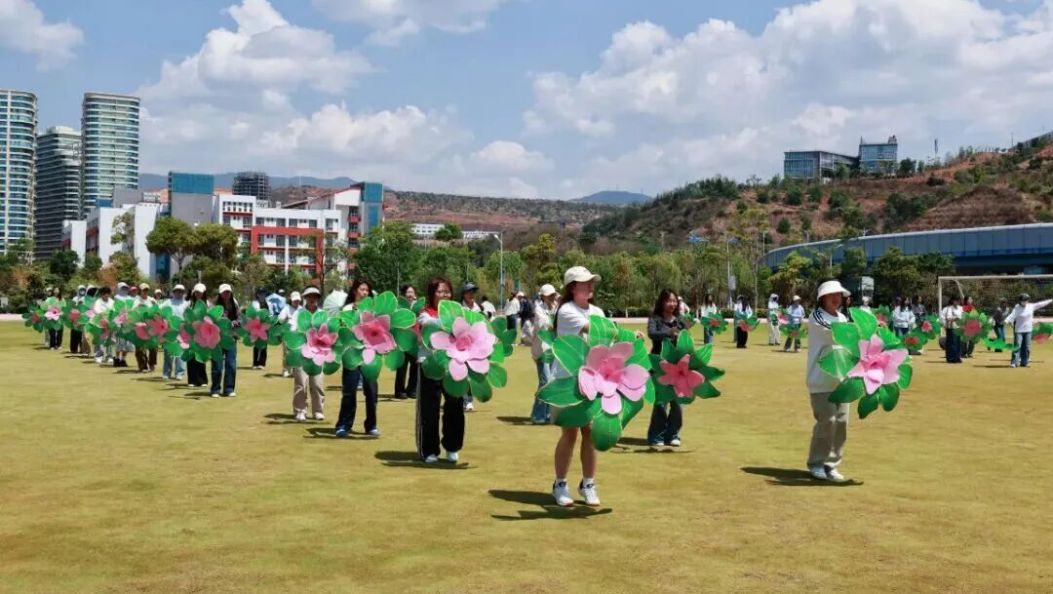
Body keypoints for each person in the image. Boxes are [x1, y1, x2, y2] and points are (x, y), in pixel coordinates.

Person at [550, 266, 606, 507]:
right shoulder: (566, 311)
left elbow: (607, 340)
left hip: (593, 380)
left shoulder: (598, 311)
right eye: (585, 282)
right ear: (573, 287)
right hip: (567, 382)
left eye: (592, 282)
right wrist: (621, 333)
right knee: (570, 432)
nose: (591, 286)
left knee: (590, 431)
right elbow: (593, 330)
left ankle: (588, 483)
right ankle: (560, 484)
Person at [806, 280, 852, 482]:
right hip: (821, 380)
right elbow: (837, 334)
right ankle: (816, 463)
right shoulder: (817, 317)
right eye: (831, 294)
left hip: (842, 380)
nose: (836, 298)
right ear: (822, 298)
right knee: (827, 421)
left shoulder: (842, 317)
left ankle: (831, 465)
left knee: (841, 423)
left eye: (839, 295)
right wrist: (862, 328)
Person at [415, 277, 465, 464]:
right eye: (440, 291)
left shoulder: (458, 313)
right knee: (429, 409)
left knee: (455, 406)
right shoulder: (424, 313)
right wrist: (444, 323)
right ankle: (429, 450)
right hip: (428, 364)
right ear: (431, 294)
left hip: (453, 364)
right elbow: (429, 325)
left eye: (447, 291)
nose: (444, 295)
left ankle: (452, 447)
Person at [336, 279, 381, 438]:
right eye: (362, 289)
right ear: (355, 291)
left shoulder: (373, 310)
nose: (365, 293)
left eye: (367, 290)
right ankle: (343, 425)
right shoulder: (347, 309)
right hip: (351, 354)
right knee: (349, 390)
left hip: (369, 353)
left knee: (371, 391)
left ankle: (371, 425)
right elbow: (342, 329)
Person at [647, 289, 689, 448]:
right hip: (659, 365)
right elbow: (652, 334)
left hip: (678, 366)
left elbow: (686, 338)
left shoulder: (680, 320)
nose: (672, 304)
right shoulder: (655, 319)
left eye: (674, 301)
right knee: (660, 402)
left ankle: (672, 434)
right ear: (662, 302)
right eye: (668, 300)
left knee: (678, 401)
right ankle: (656, 436)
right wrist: (669, 333)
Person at [291, 287, 326, 422]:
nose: (312, 299)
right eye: (309, 296)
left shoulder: (322, 314)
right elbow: (292, 329)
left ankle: (318, 410)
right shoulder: (298, 313)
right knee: (301, 383)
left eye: (315, 296)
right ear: (305, 298)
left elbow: (327, 330)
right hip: (301, 352)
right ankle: (300, 410)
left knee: (317, 383)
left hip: (317, 353)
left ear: (318, 299)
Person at [530, 283, 559, 424]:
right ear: (543, 296)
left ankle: (546, 413)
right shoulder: (538, 309)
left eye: (553, 294)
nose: (552, 297)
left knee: (551, 382)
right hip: (541, 351)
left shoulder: (555, 307)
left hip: (553, 350)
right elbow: (542, 324)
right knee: (545, 382)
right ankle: (537, 414)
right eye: (549, 295)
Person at [1005, 293, 1052, 368]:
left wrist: (1051, 300)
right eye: (1023, 300)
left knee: (1027, 347)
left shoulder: (1031, 306)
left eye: (1026, 300)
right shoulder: (1017, 307)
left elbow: (1041, 304)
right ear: (1020, 301)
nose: (1025, 302)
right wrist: (1006, 321)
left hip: (1028, 330)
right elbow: (1012, 315)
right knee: (1017, 346)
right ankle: (1014, 362)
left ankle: (1024, 362)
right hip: (1019, 330)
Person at [210, 284, 240, 397]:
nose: (226, 294)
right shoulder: (213, 305)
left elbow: (239, 318)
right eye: (224, 292)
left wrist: (234, 323)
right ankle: (215, 389)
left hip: (231, 337)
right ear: (220, 293)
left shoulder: (234, 303)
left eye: (228, 292)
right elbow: (208, 319)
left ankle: (229, 389)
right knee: (217, 365)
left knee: (231, 364)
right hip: (216, 339)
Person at [394, 285, 419, 399]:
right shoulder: (399, 307)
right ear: (404, 295)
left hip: (414, 342)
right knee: (402, 368)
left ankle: (412, 390)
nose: (410, 294)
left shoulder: (419, 306)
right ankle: (399, 391)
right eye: (408, 292)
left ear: (415, 295)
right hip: (402, 341)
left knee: (415, 367)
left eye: (412, 292)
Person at [460, 282, 483, 412]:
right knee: (464, 374)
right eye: (469, 292)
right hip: (461, 346)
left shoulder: (477, 308)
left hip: (475, 347)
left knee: (472, 375)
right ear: (463, 294)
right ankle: (466, 401)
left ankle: (468, 400)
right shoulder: (459, 309)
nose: (471, 294)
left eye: (473, 292)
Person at [186, 284, 210, 388]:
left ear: (204, 293)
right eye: (196, 292)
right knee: (191, 356)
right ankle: (192, 380)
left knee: (201, 357)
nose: (198, 294)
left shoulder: (207, 304)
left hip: (203, 334)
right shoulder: (190, 304)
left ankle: (202, 380)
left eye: (200, 292)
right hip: (191, 333)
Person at [162, 285, 188, 381]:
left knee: (180, 353)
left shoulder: (186, 303)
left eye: (181, 291)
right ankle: (166, 373)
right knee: (168, 353)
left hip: (182, 331)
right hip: (169, 331)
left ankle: (179, 373)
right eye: (177, 291)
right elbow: (160, 312)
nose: (179, 293)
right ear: (173, 292)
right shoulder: (168, 302)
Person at [277, 291, 304, 378]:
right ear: (291, 300)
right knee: (287, 354)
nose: (296, 302)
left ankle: (295, 371)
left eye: (298, 300)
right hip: (288, 335)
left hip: (299, 335)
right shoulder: (286, 308)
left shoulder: (302, 309)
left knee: (297, 353)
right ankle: (286, 371)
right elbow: (280, 319)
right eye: (294, 300)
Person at [133, 282, 158, 373]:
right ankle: (143, 366)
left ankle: (151, 363)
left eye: (147, 290)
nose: (145, 291)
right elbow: (132, 311)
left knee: (153, 347)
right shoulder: (137, 300)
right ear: (140, 291)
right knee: (140, 348)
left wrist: (155, 304)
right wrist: (138, 306)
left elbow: (157, 310)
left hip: (150, 325)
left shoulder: (151, 300)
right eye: (144, 290)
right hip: (140, 325)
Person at [113, 282, 134, 367]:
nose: (124, 289)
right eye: (122, 288)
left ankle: (123, 359)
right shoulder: (116, 297)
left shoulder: (130, 298)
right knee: (119, 342)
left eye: (125, 288)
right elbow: (118, 308)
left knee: (128, 343)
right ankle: (117, 358)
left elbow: (131, 309)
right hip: (119, 322)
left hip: (128, 322)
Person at [92, 286, 115, 364]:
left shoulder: (112, 301)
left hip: (109, 323)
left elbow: (113, 311)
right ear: (101, 294)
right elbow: (97, 310)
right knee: (100, 340)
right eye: (104, 294)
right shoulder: (98, 301)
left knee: (110, 340)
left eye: (108, 293)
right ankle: (98, 356)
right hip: (100, 323)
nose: (106, 295)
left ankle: (110, 356)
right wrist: (103, 317)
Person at [941, 296, 964, 364]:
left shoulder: (960, 308)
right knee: (952, 343)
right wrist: (955, 318)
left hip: (959, 327)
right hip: (951, 327)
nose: (957, 302)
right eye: (956, 301)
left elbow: (963, 316)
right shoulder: (949, 308)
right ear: (952, 301)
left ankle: (957, 357)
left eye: (958, 301)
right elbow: (948, 318)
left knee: (958, 343)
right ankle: (951, 358)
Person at [250, 290, 269, 370]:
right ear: (257, 295)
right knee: (257, 345)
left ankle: (262, 363)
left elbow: (269, 314)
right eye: (261, 294)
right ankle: (255, 363)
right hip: (256, 326)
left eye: (264, 294)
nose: (262, 295)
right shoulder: (254, 303)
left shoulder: (267, 303)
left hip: (264, 327)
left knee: (264, 345)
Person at [69, 285, 89, 355]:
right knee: (74, 334)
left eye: (83, 290)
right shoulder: (75, 298)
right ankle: (74, 349)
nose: (82, 291)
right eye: (81, 290)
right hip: (75, 318)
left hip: (83, 319)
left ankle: (82, 349)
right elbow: (72, 308)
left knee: (82, 335)